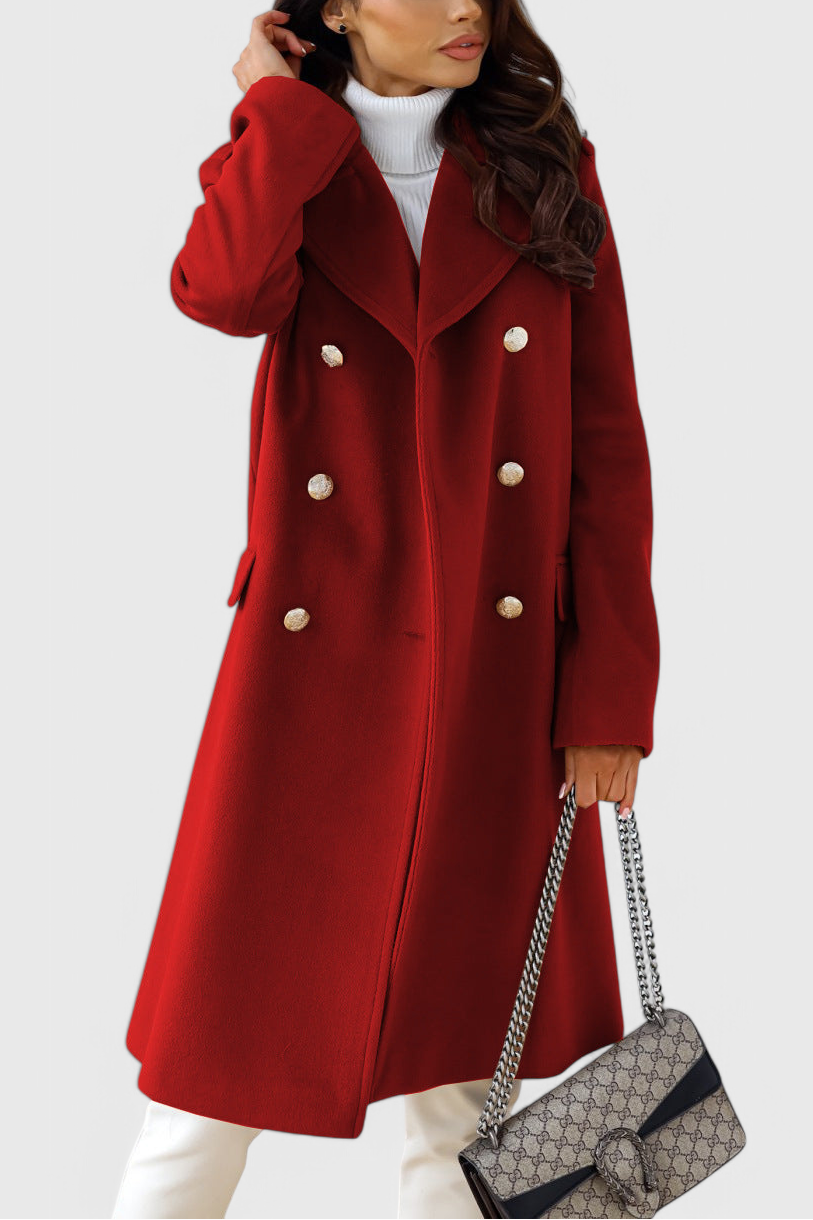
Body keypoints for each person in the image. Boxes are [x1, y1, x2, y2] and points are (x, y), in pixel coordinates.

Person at [113, 1, 660, 1216]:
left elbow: (607, 446)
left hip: (495, 679)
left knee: (466, 1098)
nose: (469, 7)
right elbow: (221, 291)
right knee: (206, 1085)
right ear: (342, 7)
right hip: (312, 677)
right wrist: (281, 114)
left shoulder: (544, 165)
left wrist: (610, 691)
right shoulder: (291, 158)